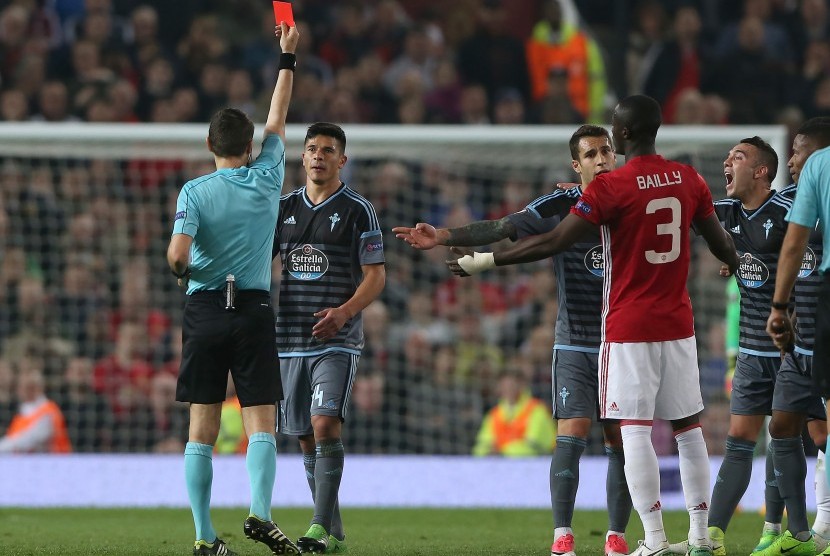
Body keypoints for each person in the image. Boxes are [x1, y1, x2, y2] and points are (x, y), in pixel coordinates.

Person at [425, 95, 739, 556]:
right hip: (677, 323)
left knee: (631, 432)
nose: (603, 151)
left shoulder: (611, 191)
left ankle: (650, 539)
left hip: (627, 327)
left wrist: (487, 261)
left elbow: (551, 240)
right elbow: (718, 241)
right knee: (688, 429)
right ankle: (698, 537)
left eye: (609, 139)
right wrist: (739, 266)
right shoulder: (688, 178)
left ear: (622, 138)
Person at [393, 124, 634, 556]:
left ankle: (617, 536)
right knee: (573, 432)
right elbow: (505, 227)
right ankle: (563, 535)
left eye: (606, 151)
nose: (601, 159)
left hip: (624, 340)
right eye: (591, 154)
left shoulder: (634, 201)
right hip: (577, 338)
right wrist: (445, 236)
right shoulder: (561, 203)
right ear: (576, 165)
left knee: (618, 437)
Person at [166, 22, 299, 556]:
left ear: (208, 145)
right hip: (251, 306)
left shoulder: (194, 192)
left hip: (203, 307)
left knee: (201, 426)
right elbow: (278, 117)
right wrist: (287, 57)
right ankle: (260, 515)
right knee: (259, 419)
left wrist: (186, 273)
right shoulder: (268, 175)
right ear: (249, 146)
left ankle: (203, 537)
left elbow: (178, 254)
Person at [698, 137, 823, 556]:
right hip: (751, 349)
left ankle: (793, 530)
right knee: (741, 440)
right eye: (727, 154)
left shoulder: (790, 211)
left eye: (737, 156)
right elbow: (683, 214)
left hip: (794, 348)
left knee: (797, 435)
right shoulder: (726, 213)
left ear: (760, 171)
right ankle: (711, 536)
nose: (726, 161)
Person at [273, 122, 386, 554]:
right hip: (289, 338)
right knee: (303, 434)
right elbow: (256, 258)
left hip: (337, 338)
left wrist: (345, 312)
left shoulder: (359, 210)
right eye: (312, 149)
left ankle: (318, 526)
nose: (319, 156)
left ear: (343, 160)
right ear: (301, 157)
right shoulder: (283, 208)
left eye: (329, 150)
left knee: (324, 424)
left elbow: (376, 277)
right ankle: (334, 532)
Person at [764, 117, 830, 556]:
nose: (793, 158)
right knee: (786, 422)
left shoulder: (819, 167)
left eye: (798, 149)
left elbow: (794, 240)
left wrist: (779, 306)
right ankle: (815, 529)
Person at [472, 369, 557, 457]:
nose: (508, 390)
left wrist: (503, 452)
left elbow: (535, 447)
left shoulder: (537, 410)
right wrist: (487, 452)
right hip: (499, 466)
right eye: (504, 386)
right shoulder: (494, 415)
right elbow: (481, 445)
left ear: (522, 385)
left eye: (511, 386)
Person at [0, 365, 71, 454]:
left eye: (28, 387)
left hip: (53, 463)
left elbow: (29, 440)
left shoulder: (49, 410)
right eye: (20, 386)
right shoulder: (21, 412)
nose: (21, 390)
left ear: (38, 388)